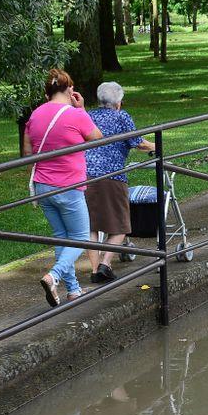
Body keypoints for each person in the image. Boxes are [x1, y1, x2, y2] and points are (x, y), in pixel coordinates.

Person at [24, 68, 103, 307]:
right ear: (70, 89)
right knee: (80, 238)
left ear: (47, 91)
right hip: (68, 185)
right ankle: (53, 276)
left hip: (42, 187)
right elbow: (98, 138)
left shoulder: (35, 115)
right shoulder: (75, 114)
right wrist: (81, 109)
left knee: (61, 237)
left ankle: (74, 290)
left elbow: (28, 152)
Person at [84, 81, 154, 283]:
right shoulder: (121, 116)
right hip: (112, 176)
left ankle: (95, 269)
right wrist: (156, 145)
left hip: (85, 176)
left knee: (91, 225)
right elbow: (138, 143)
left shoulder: (88, 116)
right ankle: (105, 265)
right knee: (122, 224)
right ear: (119, 103)